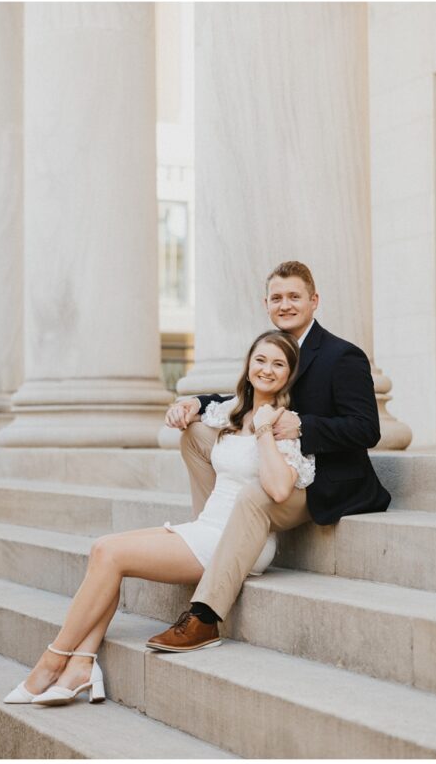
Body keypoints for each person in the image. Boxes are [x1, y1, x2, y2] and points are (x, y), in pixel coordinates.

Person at [5, 330, 314, 705]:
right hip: (207, 525)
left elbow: (280, 490)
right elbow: (196, 411)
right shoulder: (231, 412)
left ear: (289, 375)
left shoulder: (286, 424)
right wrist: (182, 407)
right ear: (248, 364)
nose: (267, 369)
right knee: (104, 553)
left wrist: (265, 428)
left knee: (110, 553)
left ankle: (52, 662)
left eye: (278, 364)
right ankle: (80, 666)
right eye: (260, 360)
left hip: (238, 541)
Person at [147, 261, 390, 652]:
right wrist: (196, 401)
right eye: (277, 298)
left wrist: (303, 426)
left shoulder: (342, 356)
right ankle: (215, 534)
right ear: (266, 304)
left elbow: (366, 429)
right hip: (274, 462)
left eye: (295, 296)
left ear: (314, 301)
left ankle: (205, 618)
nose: (285, 304)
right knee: (194, 433)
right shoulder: (274, 348)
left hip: (322, 479)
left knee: (255, 495)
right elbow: (247, 396)